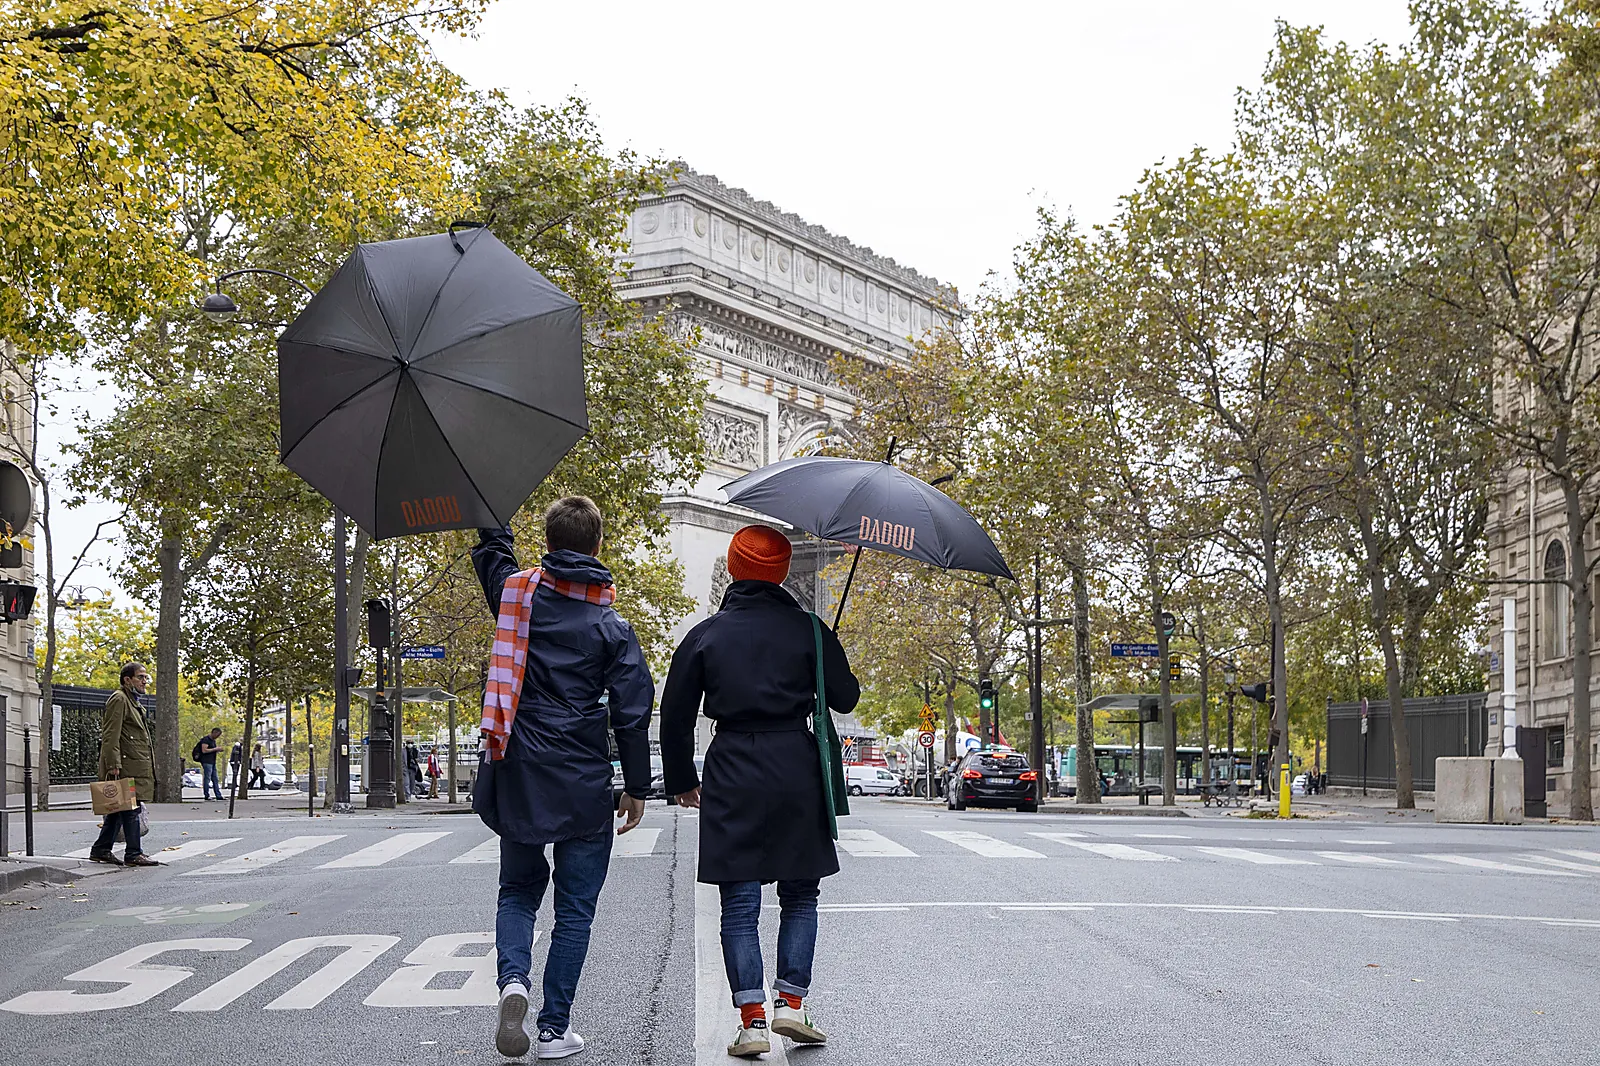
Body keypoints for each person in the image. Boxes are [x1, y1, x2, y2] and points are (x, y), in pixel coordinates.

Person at [659, 524, 860, 1057]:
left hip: (733, 769)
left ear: (733, 568)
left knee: (739, 902)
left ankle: (751, 1021)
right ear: (782, 574)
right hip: (796, 765)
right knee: (800, 894)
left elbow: (674, 715)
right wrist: (822, 645)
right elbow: (845, 698)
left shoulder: (706, 635)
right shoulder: (811, 631)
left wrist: (681, 779)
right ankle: (791, 1006)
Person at [471, 496, 655, 1061]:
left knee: (519, 890)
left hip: (519, 769)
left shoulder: (516, 597)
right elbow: (631, 711)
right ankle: (553, 1030)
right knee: (575, 908)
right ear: (598, 547)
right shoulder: (610, 623)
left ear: (547, 544)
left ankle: (512, 983)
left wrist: (488, 502)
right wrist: (637, 786)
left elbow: (492, 554)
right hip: (582, 780)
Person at [88, 663, 162, 867]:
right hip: (125, 765)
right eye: (140, 677)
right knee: (130, 809)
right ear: (127, 680)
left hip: (132, 763)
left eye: (146, 677)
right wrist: (113, 763)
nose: (144, 681)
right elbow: (111, 734)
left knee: (117, 810)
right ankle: (133, 853)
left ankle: (101, 849)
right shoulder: (119, 699)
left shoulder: (132, 701)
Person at [193, 727, 224, 800]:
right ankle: (206, 794)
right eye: (217, 735)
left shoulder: (213, 741)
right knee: (207, 778)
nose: (217, 737)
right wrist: (215, 749)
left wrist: (217, 750)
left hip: (212, 761)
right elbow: (204, 750)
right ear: (213, 732)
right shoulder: (206, 740)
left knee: (215, 778)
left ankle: (218, 795)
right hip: (206, 761)